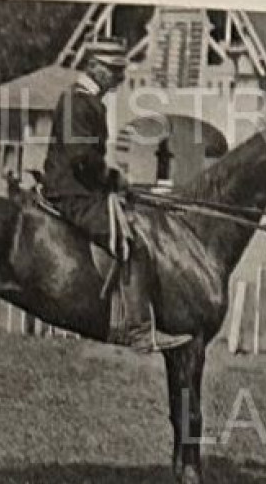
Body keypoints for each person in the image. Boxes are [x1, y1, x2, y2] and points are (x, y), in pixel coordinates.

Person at [42, 38, 190, 352]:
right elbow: (81, 157)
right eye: (114, 72)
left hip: (83, 190)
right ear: (95, 68)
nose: (119, 79)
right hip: (72, 193)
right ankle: (137, 330)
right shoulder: (78, 102)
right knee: (131, 242)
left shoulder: (86, 101)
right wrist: (112, 177)